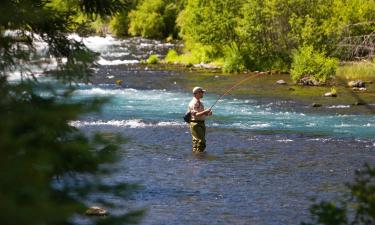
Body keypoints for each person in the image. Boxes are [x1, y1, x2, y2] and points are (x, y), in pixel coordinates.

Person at [188, 87, 213, 153]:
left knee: (198, 141)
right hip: (195, 124)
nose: (203, 93)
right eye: (202, 92)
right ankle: (199, 156)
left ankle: (196, 156)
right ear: (197, 93)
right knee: (201, 141)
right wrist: (205, 111)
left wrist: (208, 113)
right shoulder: (193, 103)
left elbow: (201, 114)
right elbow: (196, 114)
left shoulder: (200, 103)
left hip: (201, 123)